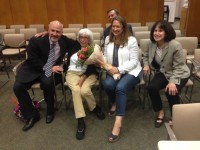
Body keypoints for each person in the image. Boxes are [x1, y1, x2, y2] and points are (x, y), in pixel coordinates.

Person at [13, 20, 79, 131]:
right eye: (52, 30)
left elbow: (77, 45)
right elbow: (32, 59)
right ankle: (32, 115)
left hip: (51, 71)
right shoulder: (36, 40)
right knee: (17, 87)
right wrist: (49, 67)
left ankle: (50, 109)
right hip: (33, 69)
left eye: (58, 31)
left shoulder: (63, 40)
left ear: (61, 33)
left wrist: (68, 65)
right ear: (47, 30)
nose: (55, 33)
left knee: (48, 83)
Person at [143, 20, 190, 128]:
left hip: (179, 73)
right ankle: (160, 112)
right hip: (164, 72)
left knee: (171, 91)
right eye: (155, 30)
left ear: (167, 33)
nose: (157, 33)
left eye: (160, 31)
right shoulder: (150, 44)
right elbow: (145, 56)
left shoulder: (175, 45)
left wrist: (173, 82)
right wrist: (146, 65)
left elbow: (179, 67)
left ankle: (175, 116)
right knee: (151, 87)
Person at [103, 15, 142, 142]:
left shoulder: (131, 40)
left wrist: (119, 69)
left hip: (131, 71)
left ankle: (117, 124)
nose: (115, 29)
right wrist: (106, 66)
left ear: (123, 27)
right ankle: (114, 102)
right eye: (113, 26)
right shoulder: (108, 39)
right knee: (107, 85)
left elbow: (134, 62)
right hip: (114, 72)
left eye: (118, 26)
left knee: (120, 88)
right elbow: (105, 58)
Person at [66, 28, 105, 140]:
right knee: (77, 90)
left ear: (89, 39)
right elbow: (60, 37)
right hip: (72, 73)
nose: (83, 40)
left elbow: (94, 66)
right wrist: (45, 32)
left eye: (85, 37)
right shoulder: (73, 45)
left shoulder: (93, 49)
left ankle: (94, 107)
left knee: (85, 91)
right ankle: (80, 121)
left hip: (89, 74)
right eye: (81, 37)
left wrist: (84, 76)